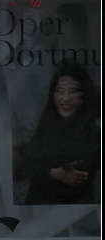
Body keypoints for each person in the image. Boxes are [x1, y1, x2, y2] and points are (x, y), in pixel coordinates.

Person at [23, 61, 100, 205]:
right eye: (59, 91)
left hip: (76, 210)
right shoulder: (46, 123)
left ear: (84, 94)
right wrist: (54, 173)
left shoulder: (94, 131)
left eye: (73, 91)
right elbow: (29, 165)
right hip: (37, 206)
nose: (65, 98)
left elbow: (81, 173)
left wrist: (51, 170)